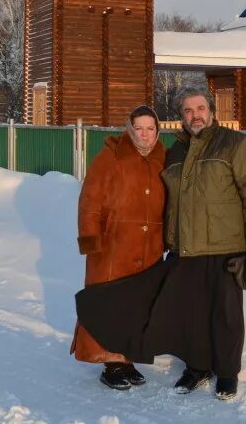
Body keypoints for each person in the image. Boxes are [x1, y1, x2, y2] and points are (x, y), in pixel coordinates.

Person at [150, 84, 246, 401]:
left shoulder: (234, 144)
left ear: (212, 112)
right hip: (184, 249)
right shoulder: (174, 152)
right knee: (191, 314)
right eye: (188, 111)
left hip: (224, 246)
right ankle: (197, 367)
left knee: (225, 315)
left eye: (200, 108)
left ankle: (227, 373)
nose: (195, 115)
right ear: (181, 118)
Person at [71, 104, 166, 391]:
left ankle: (127, 359)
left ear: (157, 131)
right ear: (129, 129)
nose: (145, 134)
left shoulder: (163, 159)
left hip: (149, 249)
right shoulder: (110, 156)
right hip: (113, 246)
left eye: (151, 128)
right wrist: (91, 239)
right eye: (139, 128)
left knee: (137, 306)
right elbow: (90, 200)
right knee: (108, 303)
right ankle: (110, 362)